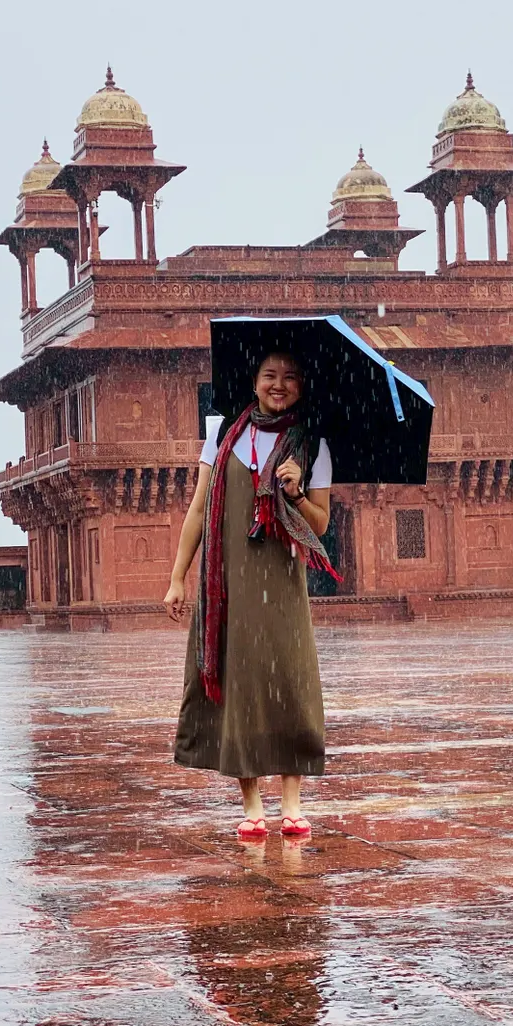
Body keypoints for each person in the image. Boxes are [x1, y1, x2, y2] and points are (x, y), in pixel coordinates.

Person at [165, 351, 339, 839]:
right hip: (229, 582)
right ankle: (251, 805)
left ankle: (292, 802)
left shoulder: (311, 444)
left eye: (290, 377)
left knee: (290, 680)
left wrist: (296, 492)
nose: (278, 385)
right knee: (238, 685)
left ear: (302, 387)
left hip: (282, 581)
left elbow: (320, 524)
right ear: (254, 381)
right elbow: (199, 511)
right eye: (270, 375)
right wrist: (178, 577)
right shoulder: (223, 435)